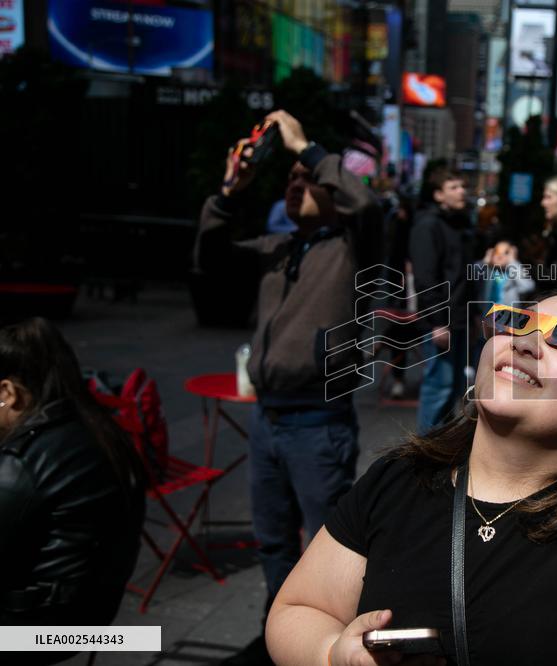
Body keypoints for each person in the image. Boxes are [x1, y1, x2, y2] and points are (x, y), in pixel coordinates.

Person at [265, 281, 557, 666]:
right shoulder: (399, 478)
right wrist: (333, 653)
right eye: (519, 321)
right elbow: (297, 610)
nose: (527, 342)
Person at [195, 109, 380, 666]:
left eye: (307, 180)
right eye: (291, 181)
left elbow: (367, 205)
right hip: (267, 421)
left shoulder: (354, 247)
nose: (296, 183)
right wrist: (229, 193)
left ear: (329, 190)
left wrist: (307, 148)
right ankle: (279, 636)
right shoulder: (280, 247)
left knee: (328, 548)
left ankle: (323, 644)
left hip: (318, 425)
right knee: (273, 544)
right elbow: (210, 260)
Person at [0, 318, 146, 665]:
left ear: (9, 394)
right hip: (95, 614)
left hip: (36, 630)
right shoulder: (102, 431)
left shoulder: (23, 461)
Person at [409, 168, 480, 435]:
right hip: (442, 322)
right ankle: (425, 449)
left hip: (460, 318)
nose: (462, 191)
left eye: (462, 186)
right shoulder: (428, 225)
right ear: (438, 195)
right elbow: (426, 279)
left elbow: (466, 275)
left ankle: (439, 445)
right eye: (453, 187)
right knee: (439, 384)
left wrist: (473, 315)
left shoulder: (459, 225)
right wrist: (438, 322)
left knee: (453, 387)